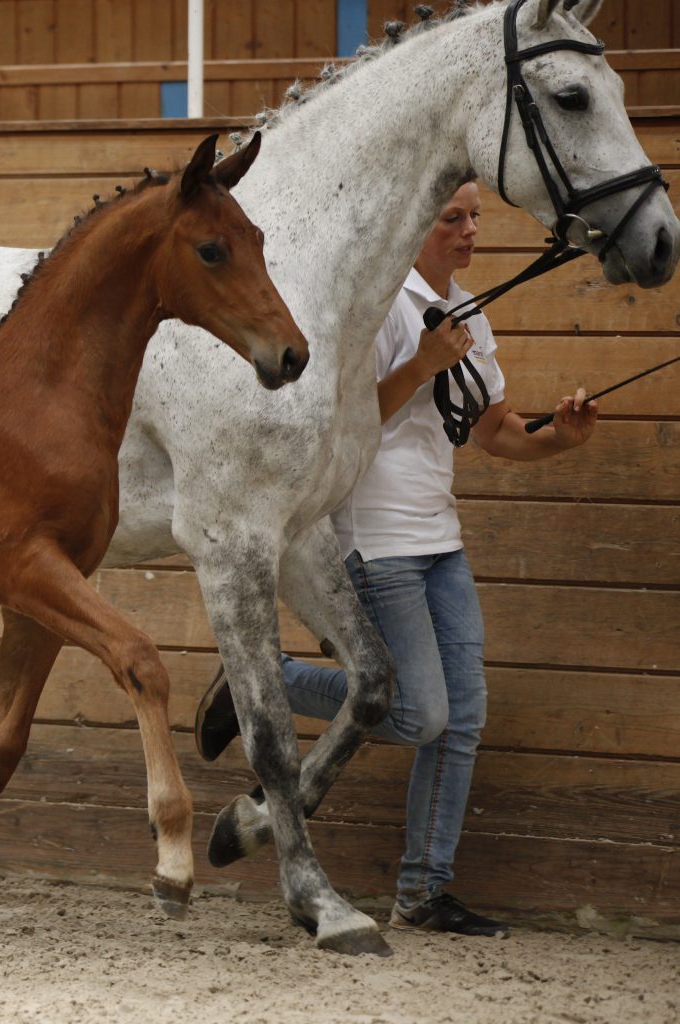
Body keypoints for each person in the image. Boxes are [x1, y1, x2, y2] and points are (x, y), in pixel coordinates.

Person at [194, 181, 599, 937]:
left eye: (477, 216)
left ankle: (421, 892)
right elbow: (341, 424)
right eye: (454, 218)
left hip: (438, 541)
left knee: (462, 719)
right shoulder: (381, 306)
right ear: (417, 223)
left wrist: (558, 440)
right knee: (417, 713)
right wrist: (420, 364)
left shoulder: (470, 310)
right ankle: (265, 681)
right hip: (374, 542)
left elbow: (494, 430)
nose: (471, 229)